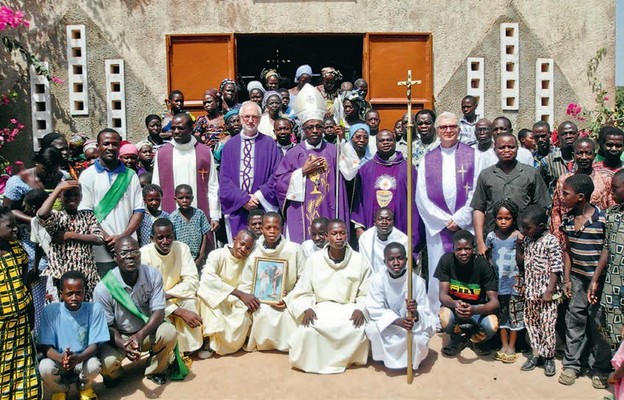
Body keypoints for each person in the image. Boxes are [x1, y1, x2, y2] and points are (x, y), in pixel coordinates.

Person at [286, 219, 372, 374]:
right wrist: (306, 308)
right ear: (327, 236)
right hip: (321, 308)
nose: (339, 237)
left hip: (348, 308)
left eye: (342, 233)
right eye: (334, 233)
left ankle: (346, 360)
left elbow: (366, 292)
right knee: (308, 330)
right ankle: (312, 363)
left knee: (356, 329)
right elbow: (303, 291)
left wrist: (361, 309)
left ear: (347, 235)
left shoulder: (360, 260)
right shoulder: (314, 260)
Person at [94, 236, 177, 386]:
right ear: (115, 257)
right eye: (124, 252)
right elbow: (106, 327)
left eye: (134, 251)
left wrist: (140, 335)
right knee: (107, 364)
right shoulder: (103, 288)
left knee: (168, 332)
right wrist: (124, 344)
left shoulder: (152, 275)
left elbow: (159, 312)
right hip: (119, 336)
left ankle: (156, 370)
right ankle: (115, 374)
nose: (130, 256)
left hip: (145, 331)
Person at [416, 112, 478, 313]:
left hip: (465, 226)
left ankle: (468, 315)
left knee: (466, 270)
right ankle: (437, 313)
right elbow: (422, 196)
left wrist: (461, 218)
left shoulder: (473, 155)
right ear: (437, 130)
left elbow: (477, 190)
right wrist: (445, 221)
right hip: (439, 228)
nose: (448, 131)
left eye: (452, 127)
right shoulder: (428, 159)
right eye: (444, 127)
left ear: (459, 130)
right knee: (438, 270)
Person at [274, 83, 348, 243]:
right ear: (303, 129)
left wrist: (343, 143)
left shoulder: (334, 150)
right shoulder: (294, 153)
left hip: (328, 207)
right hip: (302, 213)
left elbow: (350, 172)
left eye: (318, 127)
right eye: (310, 127)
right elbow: (279, 183)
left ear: (323, 128)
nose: (314, 130)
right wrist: (301, 172)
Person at [557, 174, 611, 388]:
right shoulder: (567, 220)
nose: (562, 197)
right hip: (578, 279)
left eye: (565, 193)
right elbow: (568, 251)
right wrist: (567, 279)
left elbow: (605, 251)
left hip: (598, 281)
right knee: (575, 319)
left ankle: (599, 367)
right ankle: (572, 364)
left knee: (598, 323)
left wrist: (595, 281)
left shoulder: (602, 220)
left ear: (580, 197)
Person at [78, 129, 144, 277]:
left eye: (115, 144)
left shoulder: (130, 175)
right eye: (106, 143)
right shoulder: (87, 175)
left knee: (130, 293)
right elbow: (85, 213)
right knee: (105, 293)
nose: (110, 147)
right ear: (98, 146)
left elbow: (138, 211)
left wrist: (123, 237)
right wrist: (106, 238)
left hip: (128, 247)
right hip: (100, 248)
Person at [471, 132, 549, 255]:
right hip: (494, 240)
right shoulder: (486, 175)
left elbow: (541, 207)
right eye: (501, 147)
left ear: (518, 148)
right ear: (494, 149)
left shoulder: (531, 173)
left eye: (511, 147)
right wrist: (480, 242)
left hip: (525, 239)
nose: (507, 150)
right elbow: (478, 209)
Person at [153, 113, 221, 252]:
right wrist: (157, 215)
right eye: (173, 128)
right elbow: (156, 186)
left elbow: (213, 185)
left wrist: (214, 215)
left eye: (181, 128)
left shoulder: (204, 152)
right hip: (170, 214)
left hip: (200, 214)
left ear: (191, 129)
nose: (176, 132)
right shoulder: (163, 153)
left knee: (202, 257)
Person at [237, 212, 305, 351]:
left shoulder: (294, 249)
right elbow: (246, 282)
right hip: (262, 299)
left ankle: (290, 344)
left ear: (282, 228)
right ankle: (263, 344)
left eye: (276, 227)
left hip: (289, 298)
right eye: (268, 228)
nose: (272, 231)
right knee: (260, 312)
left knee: (290, 314)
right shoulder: (254, 252)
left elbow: (304, 279)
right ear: (262, 228)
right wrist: (257, 296)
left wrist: (288, 298)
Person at [38, 271, 109, 400]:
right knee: (44, 368)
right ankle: (60, 391)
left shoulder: (94, 310)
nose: (74, 297)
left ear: (84, 292)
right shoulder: (50, 311)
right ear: (61, 294)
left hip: (83, 360)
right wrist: (62, 359)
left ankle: (85, 388)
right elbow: (45, 346)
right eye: (69, 294)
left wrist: (79, 357)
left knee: (94, 365)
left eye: (78, 293)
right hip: (59, 361)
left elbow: (94, 345)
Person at [366, 242, 436, 370]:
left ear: (406, 260)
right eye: (391, 259)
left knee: (420, 340)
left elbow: (425, 311)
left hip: (411, 327)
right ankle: (384, 359)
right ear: (384, 261)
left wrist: (415, 313)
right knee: (372, 329)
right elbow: (374, 309)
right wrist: (397, 321)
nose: (396, 262)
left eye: (400, 258)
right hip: (390, 325)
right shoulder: (377, 280)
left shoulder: (417, 282)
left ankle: (413, 361)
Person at [219, 101, 282, 242]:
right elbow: (224, 179)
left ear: (260, 119)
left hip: (262, 206)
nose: (250, 120)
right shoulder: (230, 145)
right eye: (246, 116)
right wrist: (243, 199)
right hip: (238, 207)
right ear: (240, 118)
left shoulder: (269, 144)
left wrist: (258, 196)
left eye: (254, 117)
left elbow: (277, 175)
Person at [353, 129, 422, 253]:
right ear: (376, 143)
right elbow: (359, 200)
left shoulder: (407, 169)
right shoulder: (366, 169)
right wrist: (359, 226)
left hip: (402, 227)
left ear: (395, 142)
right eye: (382, 140)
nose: (385, 143)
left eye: (389, 140)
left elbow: (416, 203)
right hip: (372, 229)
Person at [140, 218, 203, 355]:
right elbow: (147, 295)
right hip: (154, 302)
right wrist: (178, 311)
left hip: (175, 295)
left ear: (174, 236)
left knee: (191, 302)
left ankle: (189, 349)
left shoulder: (182, 248)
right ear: (152, 238)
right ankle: (170, 350)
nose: (165, 241)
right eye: (160, 238)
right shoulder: (144, 255)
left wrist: (168, 294)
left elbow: (192, 281)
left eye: (169, 237)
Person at [436, 230, 499, 357]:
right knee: (444, 316)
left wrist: (474, 309)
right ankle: (457, 339)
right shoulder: (446, 261)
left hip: (477, 310)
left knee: (492, 325)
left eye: (467, 248)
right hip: (455, 309)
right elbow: (442, 296)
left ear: (473, 248)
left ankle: (476, 339)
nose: (463, 252)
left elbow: (495, 302)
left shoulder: (483, 265)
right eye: (459, 249)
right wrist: (455, 303)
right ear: (453, 249)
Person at [37, 180, 103, 300]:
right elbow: (42, 214)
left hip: (87, 275)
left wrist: (70, 235)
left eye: (76, 195)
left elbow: (99, 238)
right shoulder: (57, 217)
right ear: (60, 197)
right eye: (67, 195)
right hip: (63, 277)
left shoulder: (88, 216)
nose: (72, 198)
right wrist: (58, 190)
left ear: (81, 197)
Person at [0, 206, 41, 399]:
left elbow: (26, 283)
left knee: (23, 364)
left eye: (16, 225)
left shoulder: (17, 248)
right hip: (2, 324)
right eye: (10, 226)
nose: (16, 229)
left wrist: (30, 309)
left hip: (21, 319)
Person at [517, 205, 563, 377]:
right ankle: (535, 354)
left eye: (528, 227)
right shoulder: (528, 240)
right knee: (531, 323)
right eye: (523, 227)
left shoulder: (551, 241)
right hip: (531, 292)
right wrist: (519, 246)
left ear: (541, 226)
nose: (525, 231)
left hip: (546, 294)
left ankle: (549, 357)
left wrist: (549, 290)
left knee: (548, 324)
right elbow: (521, 262)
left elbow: (556, 268)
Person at [196, 229, 257, 356]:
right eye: (241, 244)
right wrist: (239, 294)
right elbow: (208, 278)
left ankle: (234, 343)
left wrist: (241, 297)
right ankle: (209, 342)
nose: (243, 249)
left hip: (235, 301)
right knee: (204, 295)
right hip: (216, 297)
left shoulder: (248, 261)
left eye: (248, 248)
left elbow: (247, 286)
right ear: (235, 239)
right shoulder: (217, 254)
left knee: (244, 313)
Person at [549, 138, 614, 245]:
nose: (584, 157)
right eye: (580, 153)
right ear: (573, 155)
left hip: (596, 237)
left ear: (594, 155)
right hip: (568, 236)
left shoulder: (605, 180)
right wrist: (559, 239)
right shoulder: (563, 181)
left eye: (588, 153)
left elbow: (611, 210)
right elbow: (557, 211)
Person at [589, 169, 624, 352]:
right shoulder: (611, 214)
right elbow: (606, 247)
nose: (611, 193)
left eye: (615, 189)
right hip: (613, 284)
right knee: (613, 331)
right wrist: (595, 279)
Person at [485, 199, 524, 364]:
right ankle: (503, 344)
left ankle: (512, 346)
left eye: (507, 218)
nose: (503, 221)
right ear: (495, 218)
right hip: (498, 285)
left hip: (514, 284)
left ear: (513, 219)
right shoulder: (491, 237)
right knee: (501, 314)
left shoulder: (518, 237)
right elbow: (488, 258)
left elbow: (522, 260)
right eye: (499, 218)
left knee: (514, 315)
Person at [169, 184, 210, 270]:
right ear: (175, 199)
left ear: (192, 198)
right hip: (181, 258)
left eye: (187, 197)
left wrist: (201, 255)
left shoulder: (199, 214)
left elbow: (204, 234)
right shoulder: (173, 218)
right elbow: (172, 240)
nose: (184, 200)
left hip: (198, 257)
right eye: (181, 198)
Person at [358, 207, 408, 274]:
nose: (384, 222)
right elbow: (364, 265)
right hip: (371, 279)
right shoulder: (365, 238)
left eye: (388, 219)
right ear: (375, 222)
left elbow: (405, 266)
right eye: (380, 219)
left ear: (393, 222)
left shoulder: (403, 240)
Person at [539, 121, 579, 196]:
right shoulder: (547, 161)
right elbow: (541, 188)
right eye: (564, 134)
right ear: (558, 138)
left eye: (572, 133)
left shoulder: (584, 160)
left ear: (578, 135)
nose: (568, 136)